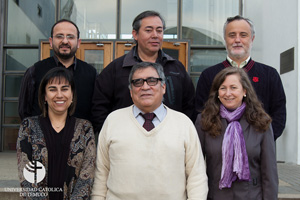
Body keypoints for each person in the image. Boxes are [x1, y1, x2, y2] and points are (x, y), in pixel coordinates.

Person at [91, 62, 208, 200]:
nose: (145, 87)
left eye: (152, 81)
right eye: (138, 82)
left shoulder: (183, 124)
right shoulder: (113, 121)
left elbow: (197, 177)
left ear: (163, 87)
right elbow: (101, 173)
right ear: (130, 91)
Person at [91, 10, 195, 134]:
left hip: (170, 140)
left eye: (159, 30)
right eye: (148, 30)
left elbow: (189, 106)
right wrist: (112, 135)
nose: (155, 35)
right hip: (126, 140)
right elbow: (99, 107)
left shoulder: (176, 68)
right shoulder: (116, 69)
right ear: (135, 34)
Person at [195, 15, 286, 140]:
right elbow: (201, 113)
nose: (237, 40)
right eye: (232, 35)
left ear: (252, 39)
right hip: (219, 151)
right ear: (225, 39)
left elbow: (279, 115)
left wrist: (261, 141)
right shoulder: (208, 75)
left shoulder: (270, 75)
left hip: (259, 154)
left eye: (243, 35)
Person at [195, 67, 278, 199]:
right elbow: (196, 167)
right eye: (223, 88)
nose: (228, 93)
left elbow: (269, 171)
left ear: (244, 91)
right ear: (217, 92)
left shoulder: (261, 121)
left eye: (233, 87)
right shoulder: (204, 121)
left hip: (251, 196)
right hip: (216, 196)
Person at [17, 68, 96, 199]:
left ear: (72, 95)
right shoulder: (28, 127)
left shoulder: (85, 128)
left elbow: (87, 175)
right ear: (44, 96)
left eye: (64, 89)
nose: (59, 95)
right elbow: (26, 175)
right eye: (52, 89)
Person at [18, 19, 97, 121]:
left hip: (80, 136)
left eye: (70, 37)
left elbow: (96, 111)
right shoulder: (34, 71)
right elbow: (24, 111)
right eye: (59, 36)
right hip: (41, 136)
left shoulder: (91, 74)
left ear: (78, 42)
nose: (65, 41)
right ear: (51, 42)